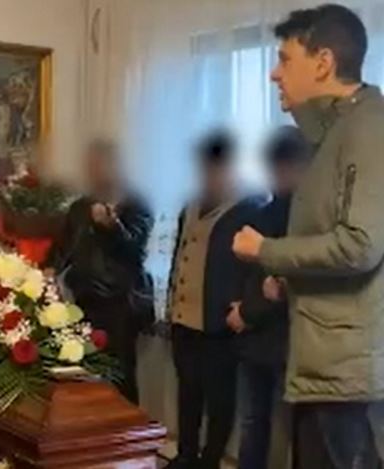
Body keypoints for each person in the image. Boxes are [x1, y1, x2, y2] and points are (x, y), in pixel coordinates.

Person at [232, 5, 384, 468]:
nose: (274, 74)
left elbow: (360, 244)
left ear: (323, 63)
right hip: (324, 363)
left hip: (347, 372)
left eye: (285, 60)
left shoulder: (368, 127)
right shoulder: (332, 134)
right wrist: (289, 281)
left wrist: (266, 251)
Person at [165, 131, 262, 469]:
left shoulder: (249, 208)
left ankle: (210, 460)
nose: (207, 177)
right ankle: (185, 455)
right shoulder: (190, 205)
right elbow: (179, 255)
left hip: (219, 324)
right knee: (187, 393)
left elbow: (256, 268)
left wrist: (244, 308)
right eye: (203, 169)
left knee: (219, 400)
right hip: (184, 320)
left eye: (214, 169)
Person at [44, 139, 153, 404]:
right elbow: (62, 247)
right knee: (87, 374)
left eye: (99, 165)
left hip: (120, 306)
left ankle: (126, 425)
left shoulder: (136, 205)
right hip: (84, 302)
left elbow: (134, 250)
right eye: (90, 166)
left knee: (120, 376)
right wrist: (49, 269)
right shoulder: (79, 208)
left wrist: (112, 226)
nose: (94, 172)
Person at [227, 126, 310, 469]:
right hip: (256, 342)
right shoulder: (261, 214)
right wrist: (245, 307)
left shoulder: (309, 220)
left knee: (299, 432)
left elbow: (281, 287)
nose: (278, 174)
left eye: (284, 166)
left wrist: (248, 311)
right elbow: (251, 278)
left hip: (291, 343)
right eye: (273, 166)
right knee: (253, 424)